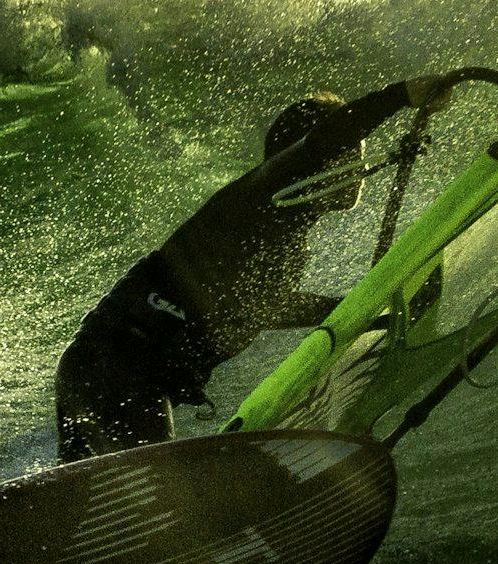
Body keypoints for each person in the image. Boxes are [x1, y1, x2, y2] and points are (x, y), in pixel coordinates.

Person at [55, 80, 432, 462]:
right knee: (161, 493)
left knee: (87, 507)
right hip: (119, 367)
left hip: (107, 368)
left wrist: (371, 315)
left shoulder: (283, 223)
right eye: (352, 150)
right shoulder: (265, 195)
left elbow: (263, 307)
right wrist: (404, 95)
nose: (361, 164)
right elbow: (268, 307)